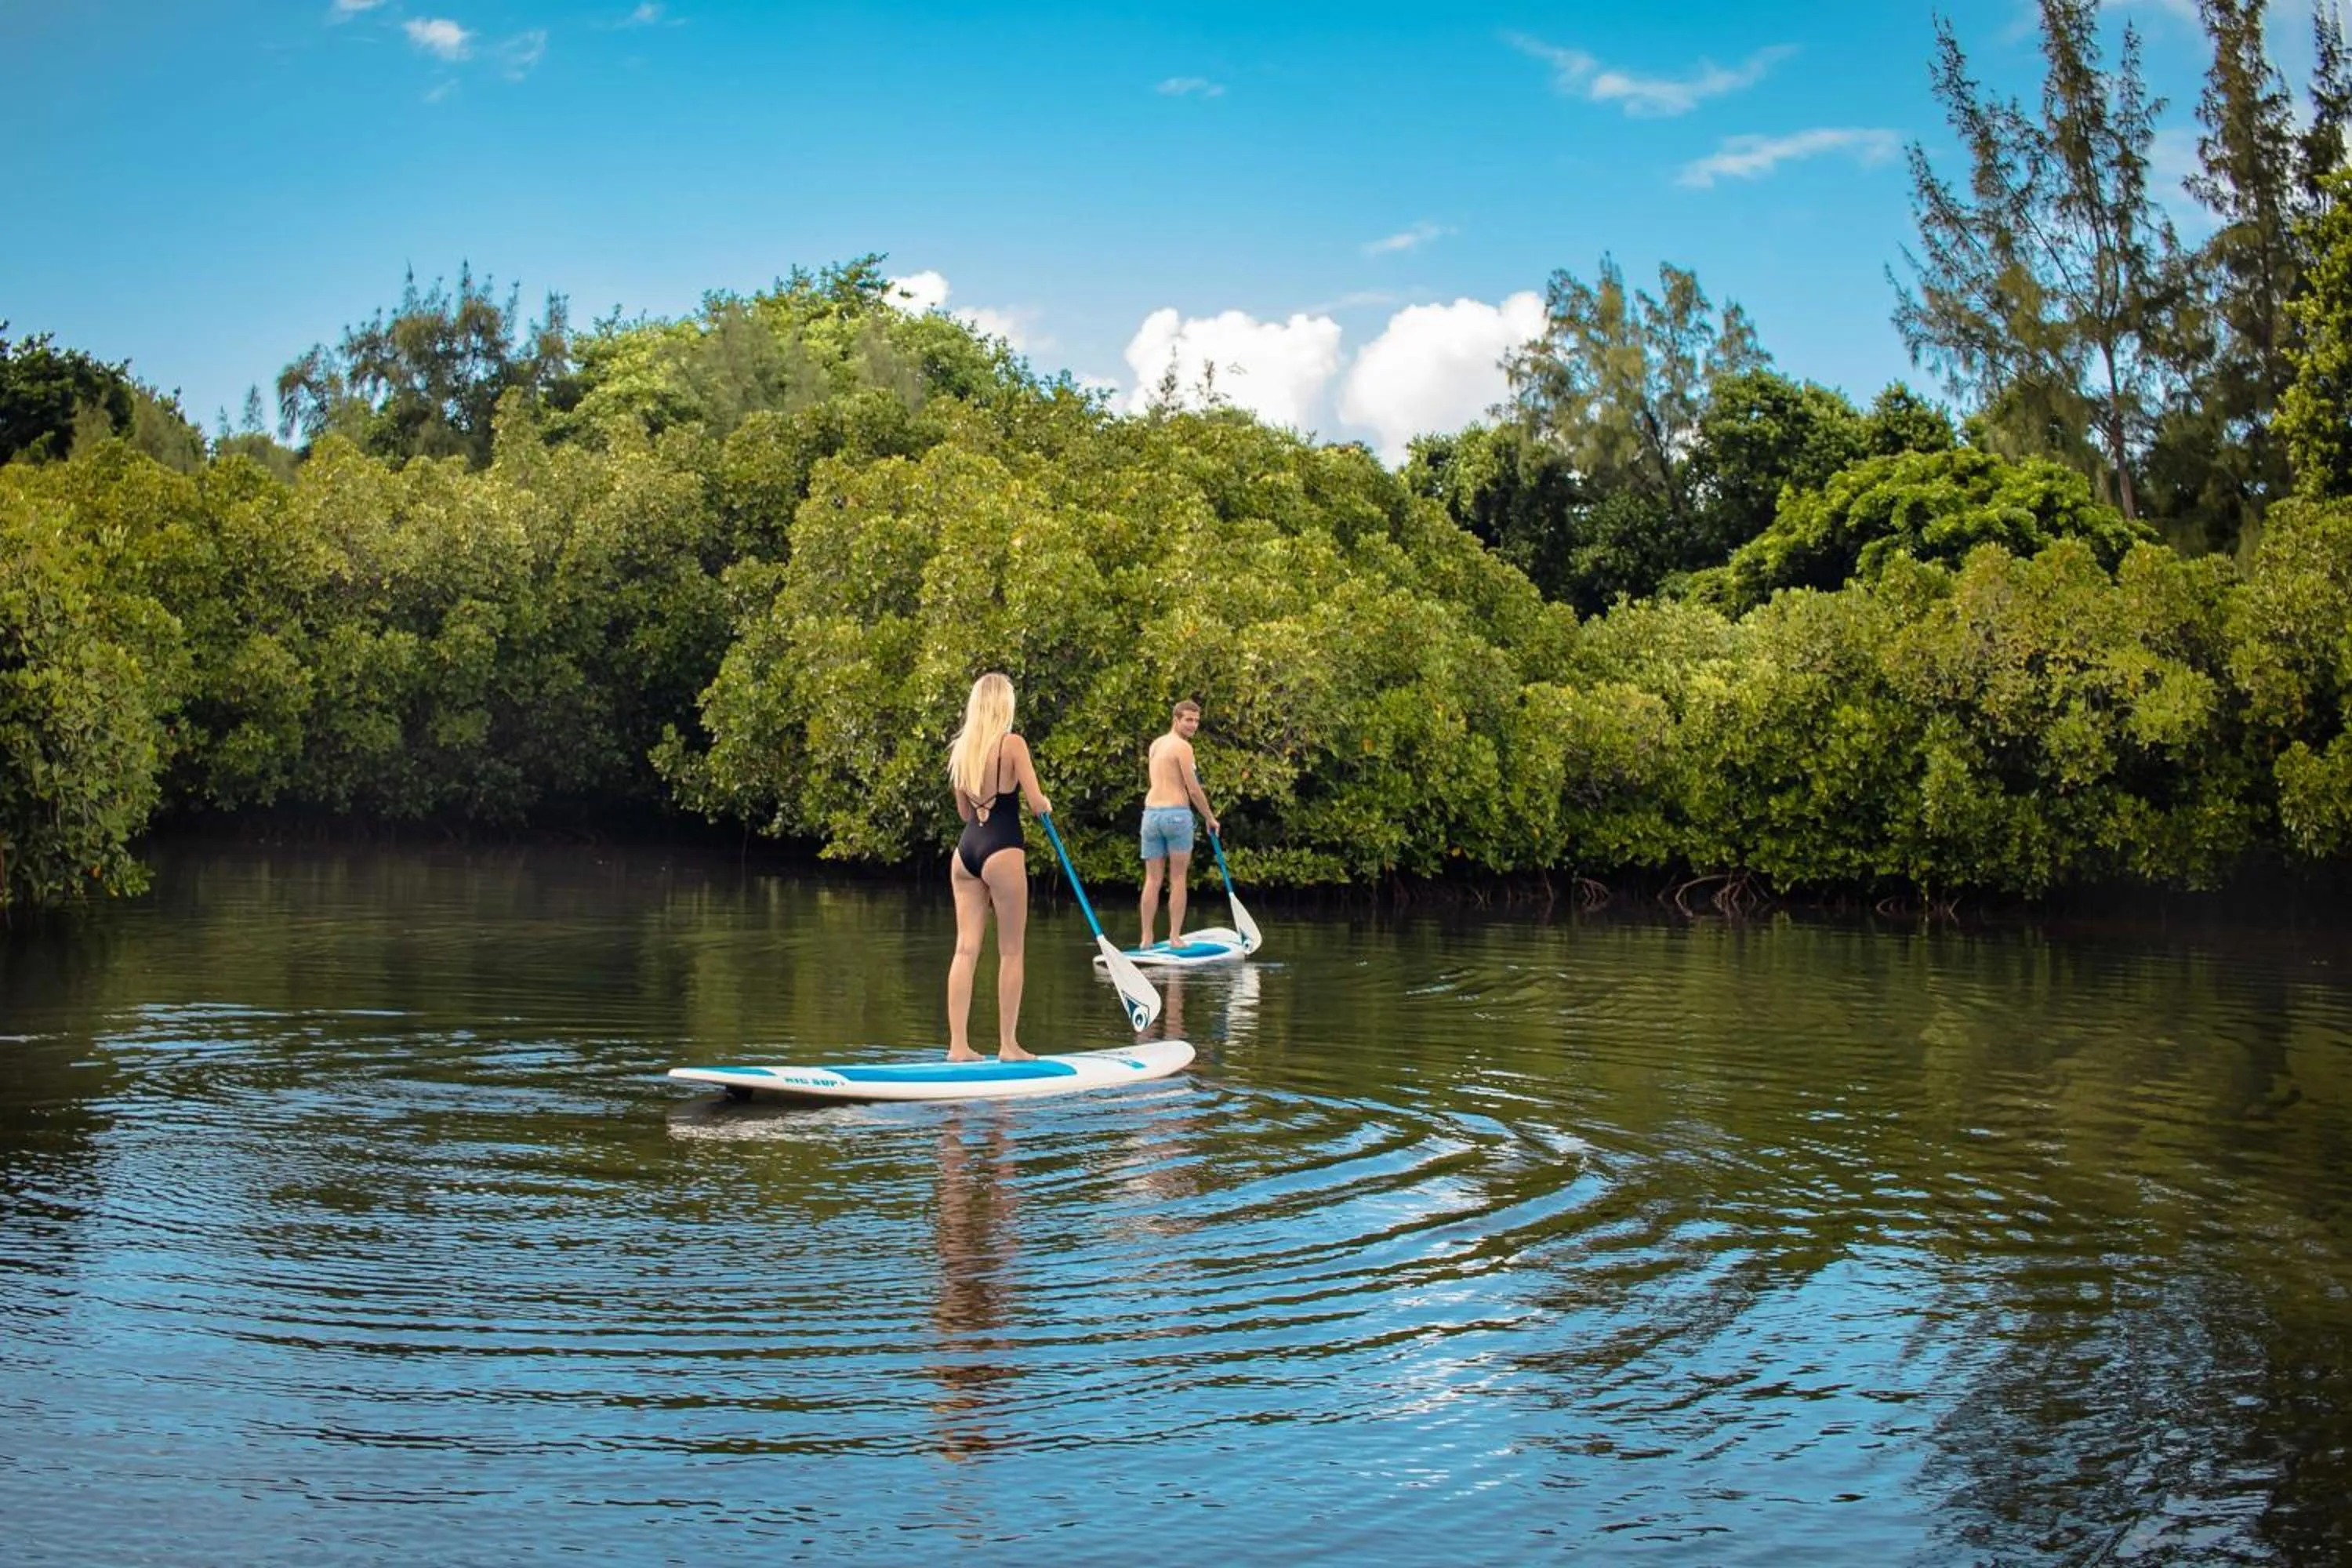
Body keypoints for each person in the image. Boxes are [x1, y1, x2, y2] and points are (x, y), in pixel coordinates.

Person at [946, 671, 1051, 1062]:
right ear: (1004, 705)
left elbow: (963, 812)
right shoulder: (1012, 744)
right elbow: (1037, 802)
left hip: (967, 851)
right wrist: (1045, 806)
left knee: (965, 949)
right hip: (1003, 848)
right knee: (1010, 951)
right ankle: (1008, 1046)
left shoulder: (962, 749)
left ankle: (958, 1046)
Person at [1138, 698, 1220, 948]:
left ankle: (1146, 939)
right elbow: (1193, 790)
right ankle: (1174, 937)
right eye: (1188, 720)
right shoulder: (1183, 748)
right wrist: (1210, 818)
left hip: (1151, 815)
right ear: (1176, 720)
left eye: (1196, 721)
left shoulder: (1156, 745)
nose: (1193, 725)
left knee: (1152, 879)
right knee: (1177, 879)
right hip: (1176, 815)